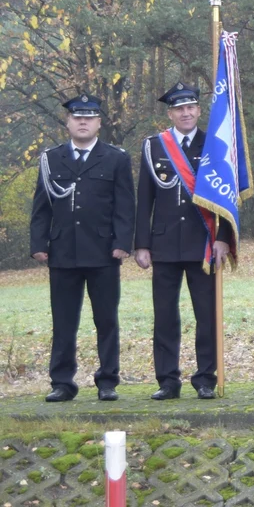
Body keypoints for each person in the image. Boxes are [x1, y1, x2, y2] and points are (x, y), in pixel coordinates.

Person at [30, 94, 135, 402]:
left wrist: (122, 243)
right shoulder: (51, 159)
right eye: (78, 117)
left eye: (89, 117)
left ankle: (107, 381)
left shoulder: (116, 157)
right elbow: (41, 207)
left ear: (99, 123)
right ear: (68, 122)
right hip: (62, 252)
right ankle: (62, 382)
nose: (83, 122)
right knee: (63, 321)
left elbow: (125, 206)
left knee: (106, 319)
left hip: (103, 252)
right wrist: (38, 243)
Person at [134, 82, 231, 400]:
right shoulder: (154, 146)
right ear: (170, 113)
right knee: (165, 315)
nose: (186, 112)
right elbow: (144, 199)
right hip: (163, 245)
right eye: (179, 108)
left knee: (206, 315)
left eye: (190, 107)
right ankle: (167, 380)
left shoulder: (214, 144)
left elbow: (227, 198)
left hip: (203, 243)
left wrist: (224, 239)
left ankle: (205, 378)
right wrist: (142, 243)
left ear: (199, 110)